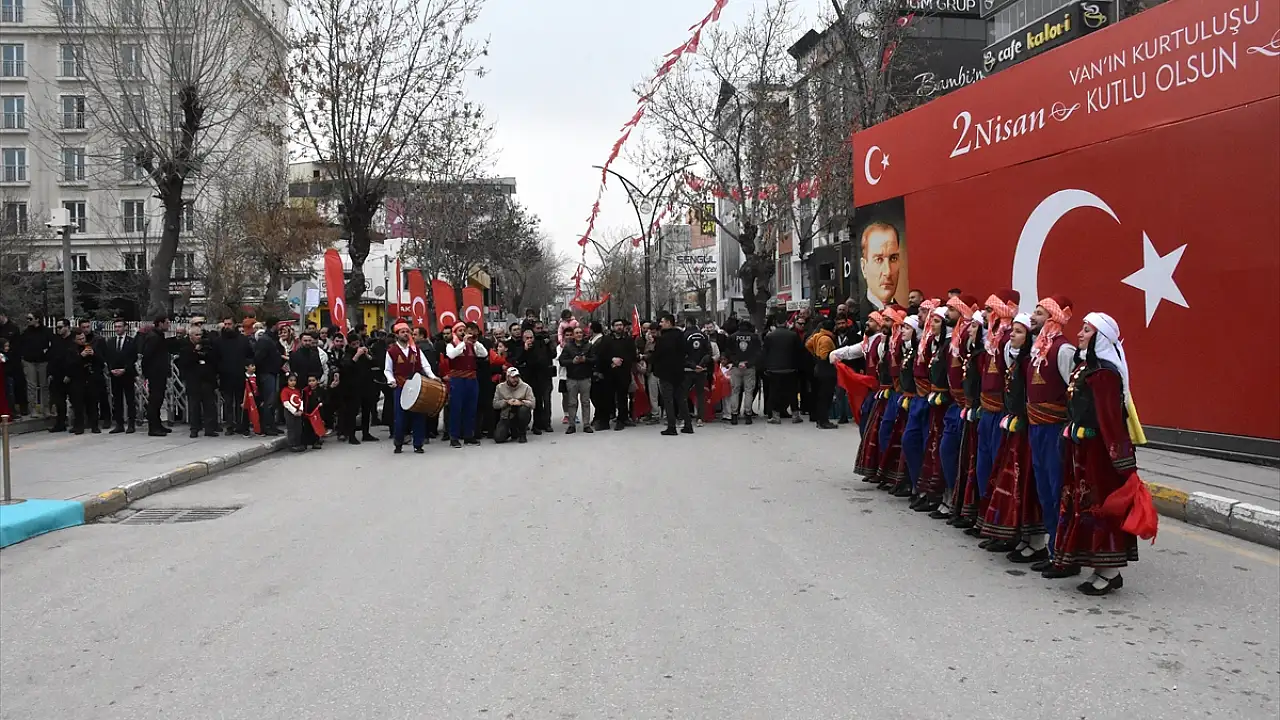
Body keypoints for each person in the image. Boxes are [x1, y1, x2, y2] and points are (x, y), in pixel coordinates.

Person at [1054, 312, 1143, 595]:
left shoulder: (1104, 373)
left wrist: (1122, 463)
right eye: (1081, 329)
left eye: (1086, 331)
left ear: (1100, 338)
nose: (1079, 334)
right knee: (1083, 506)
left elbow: (1109, 420)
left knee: (1101, 508)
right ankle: (1098, 568)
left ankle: (1110, 571)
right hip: (1083, 450)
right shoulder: (1087, 368)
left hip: (1101, 456)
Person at [978, 314, 1045, 558]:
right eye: (1013, 330)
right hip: (1014, 426)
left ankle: (1035, 541)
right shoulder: (1016, 359)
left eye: (1018, 332)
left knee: (1027, 485)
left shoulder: (1029, 362)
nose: (1012, 336)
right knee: (1006, 480)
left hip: (1029, 429)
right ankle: (1010, 534)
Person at [1026, 295, 1079, 578]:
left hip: (1054, 431)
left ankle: (1066, 554)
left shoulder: (1063, 350)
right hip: (1036, 428)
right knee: (1044, 491)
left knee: (1058, 491)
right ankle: (1053, 549)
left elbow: (1075, 392)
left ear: (1053, 318)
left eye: (1038, 313)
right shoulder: (1039, 348)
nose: (1032, 317)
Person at [972, 290, 1021, 535]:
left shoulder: (1011, 338)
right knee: (983, 467)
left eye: (992, 309)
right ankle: (986, 521)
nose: (987, 314)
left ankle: (1000, 527)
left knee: (998, 470)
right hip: (986, 410)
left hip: (1001, 413)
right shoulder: (992, 338)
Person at [932, 295, 981, 520]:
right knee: (947, 452)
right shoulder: (956, 336)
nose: (947, 313)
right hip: (955, 405)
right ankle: (952, 497)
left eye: (951, 309)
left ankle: (962, 505)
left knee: (965, 458)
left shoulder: (968, 335)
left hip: (968, 407)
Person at [914, 306, 952, 513]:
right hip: (933, 401)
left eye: (937, 321)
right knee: (931, 446)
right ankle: (929, 492)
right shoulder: (935, 345)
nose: (933, 325)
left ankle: (945, 496)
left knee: (944, 449)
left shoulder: (947, 346)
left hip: (946, 404)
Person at [385, 321, 437, 454]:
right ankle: (398, 443)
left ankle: (418, 444)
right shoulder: (392, 351)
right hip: (400, 387)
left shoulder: (416, 350)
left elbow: (425, 365)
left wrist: (432, 376)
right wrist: (391, 380)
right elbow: (387, 370)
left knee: (418, 415)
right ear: (397, 335)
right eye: (402, 332)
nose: (406, 334)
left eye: (407, 332)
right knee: (400, 417)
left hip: (416, 386)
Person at [446, 321, 487, 447]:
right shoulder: (451, 345)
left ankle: (469, 436)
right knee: (456, 409)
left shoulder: (472, 345)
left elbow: (484, 354)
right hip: (458, 380)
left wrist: (475, 342)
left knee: (471, 408)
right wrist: (463, 343)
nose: (463, 333)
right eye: (460, 331)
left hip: (471, 380)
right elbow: (452, 355)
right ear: (455, 333)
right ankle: (454, 437)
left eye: (464, 330)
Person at [651, 313, 691, 436]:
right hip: (679, 372)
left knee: (668, 400)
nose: (660, 324)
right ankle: (688, 425)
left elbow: (657, 355)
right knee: (681, 399)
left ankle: (671, 426)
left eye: (662, 322)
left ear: (669, 322)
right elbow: (685, 352)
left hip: (665, 373)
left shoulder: (663, 339)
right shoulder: (681, 335)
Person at [137, 316, 177, 436]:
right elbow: (147, 355)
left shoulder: (159, 335)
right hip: (155, 373)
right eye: (167, 323)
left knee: (159, 400)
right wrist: (145, 372)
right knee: (154, 400)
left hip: (160, 372)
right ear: (160, 323)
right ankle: (153, 428)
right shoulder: (153, 337)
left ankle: (158, 424)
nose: (169, 325)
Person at [178, 328, 219, 438]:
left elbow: (213, 361)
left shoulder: (207, 347)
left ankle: (209, 429)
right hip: (193, 381)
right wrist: (195, 351)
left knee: (209, 405)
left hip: (206, 380)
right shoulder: (186, 348)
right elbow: (185, 363)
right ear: (191, 336)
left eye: (200, 335)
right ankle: (194, 429)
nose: (199, 337)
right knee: (194, 406)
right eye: (196, 335)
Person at [597, 319, 638, 431]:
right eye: (617, 325)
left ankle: (622, 420)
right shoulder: (606, 340)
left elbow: (633, 356)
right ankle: (604, 421)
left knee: (622, 398)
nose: (619, 327)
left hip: (623, 373)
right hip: (609, 373)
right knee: (607, 398)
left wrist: (621, 361)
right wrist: (612, 360)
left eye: (621, 325)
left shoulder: (628, 340)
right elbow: (601, 355)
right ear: (612, 327)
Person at [339, 334, 379, 444]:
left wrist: (367, 355)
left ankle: (366, 433)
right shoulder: (347, 353)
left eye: (358, 343)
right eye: (354, 344)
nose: (356, 346)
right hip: (353, 388)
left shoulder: (365, 352)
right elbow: (346, 367)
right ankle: (351, 435)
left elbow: (375, 362)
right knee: (352, 412)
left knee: (367, 410)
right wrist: (356, 355)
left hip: (366, 385)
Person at [215, 318, 253, 435]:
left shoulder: (243, 340)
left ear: (234, 325)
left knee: (240, 402)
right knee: (228, 402)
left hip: (240, 376)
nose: (227, 326)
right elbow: (215, 358)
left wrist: (247, 366)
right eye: (225, 324)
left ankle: (241, 425)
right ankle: (230, 425)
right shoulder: (219, 341)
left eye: (229, 324)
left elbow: (250, 355)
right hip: (226, 376)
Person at [858, 222, 903, 319]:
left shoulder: (904, 315)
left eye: (893, 258)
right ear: (863, 267)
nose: (888, 272)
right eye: (878, 260)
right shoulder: (857, 316)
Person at [762, 320, 802, 424]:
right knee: (792, 392)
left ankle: (776, 416)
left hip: (774, 369)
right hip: (790, 368)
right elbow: (799, 351)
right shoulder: (793, 335)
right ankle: (795, 415)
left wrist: (766, 367)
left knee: (774, 392)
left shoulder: (770, 336)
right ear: (786, 323)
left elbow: (765, 352)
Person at [516, 328, 554, 435]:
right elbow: (517, 360)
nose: (529, 340)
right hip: (525, 379)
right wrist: (525, 350)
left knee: (538, 402)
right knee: (525, 403)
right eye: (527, 338)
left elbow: (542, 360)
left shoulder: (539, 346)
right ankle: (523, 424)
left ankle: (538, 425)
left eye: (531, 338)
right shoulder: (520, 347)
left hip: (538, 378)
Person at [558, 325, 595, 435]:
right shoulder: (568, 347)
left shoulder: (589, 346)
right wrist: (572, 361)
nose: (579, 335)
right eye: (576, 333)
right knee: (572, 402)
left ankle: (586, 424)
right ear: (573, 335)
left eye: (580, 333)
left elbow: (595, 359)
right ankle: (571, 424)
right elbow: (562, 361)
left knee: (586, 402)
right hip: (572, 378)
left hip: (585, 377)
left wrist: (586, 360)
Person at [104, 319, 139, 434]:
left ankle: (131, 423)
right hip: (115, 374)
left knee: (130, 399)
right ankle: (119, 424)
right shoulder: (110, 341)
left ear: (125, 327)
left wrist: (125, 369)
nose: (117, 329)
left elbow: (133, 358)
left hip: (127, 373)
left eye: (119, 326)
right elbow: (108, 357)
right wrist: (112, 369)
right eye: (116, 327)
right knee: (117, 399)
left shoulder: (132, 341)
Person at [725, 319, 762, 425]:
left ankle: (734, 416)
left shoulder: (732, 337)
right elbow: (758, 353)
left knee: (735, 391)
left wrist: (737, 362)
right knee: (749, 392)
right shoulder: (754, 337)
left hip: (736, 368)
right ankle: (748, 415)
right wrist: (748, 363)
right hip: (749, 368)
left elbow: (728, 352)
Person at [804, 319, 839, 430]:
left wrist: (814, 354)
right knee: (826, 396)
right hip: (826, 369)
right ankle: (824, 421)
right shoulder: (826, 339)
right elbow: (825, 356)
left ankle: (820, 419)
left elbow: (807, 344)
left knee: (821, 395)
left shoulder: (817, 336)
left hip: (819, 368)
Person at [251, 322, 283, 436]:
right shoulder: (265, 340)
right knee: (268, 401)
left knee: (273, 401)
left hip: (273, 372)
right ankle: (267, 426)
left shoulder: (271, 338)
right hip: (267, 373)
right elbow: (258, 357)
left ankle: (272, 425)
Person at [19, 313, 53, 416]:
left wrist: (46, 352)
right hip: (29, 361)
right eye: (27, 318)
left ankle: (46, 408)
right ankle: (32, 408)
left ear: (37, 319)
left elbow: (52, 344)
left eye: (30, 318)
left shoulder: (46, 331)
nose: (28, 321)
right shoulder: (26, 332)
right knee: (31, 385)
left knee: (44, 385)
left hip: (43, 361)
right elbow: (21, 345)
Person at [493, 367, 535, 444]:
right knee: (498, 438)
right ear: (507, 377)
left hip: (520, 414)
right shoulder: (500, 387)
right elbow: (495, 404)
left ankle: (522, 433)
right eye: (513, 377)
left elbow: (532, 404)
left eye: (517, 377)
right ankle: (510, 431)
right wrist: (506, 402)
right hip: (506, 415)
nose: (515, 379)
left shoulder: (526, 387)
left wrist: (521, 402)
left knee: (524, 410)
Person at [682, 317, 711, 427]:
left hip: (687, 370)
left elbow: (682, 354)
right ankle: (700, 418)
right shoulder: (703, 335)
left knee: (683, 394)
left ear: (687, 323)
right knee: (700, 394)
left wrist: (693, 366)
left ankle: (685, 418)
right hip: (701, 369)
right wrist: (701, 364)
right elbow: (709, 352)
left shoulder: (684, 335)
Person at [281, 374, 305, 452]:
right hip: (289, 412)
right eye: (291, 380)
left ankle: (298, 443)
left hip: (298, 412)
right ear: (287, 381)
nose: (293, 382)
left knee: (298, 428)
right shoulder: (285, 390)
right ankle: (292, 444)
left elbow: (300, 401)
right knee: (291, 428)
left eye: (294, 380)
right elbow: (286, 403)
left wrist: (301, 410)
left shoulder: (297, 391)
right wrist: (294, 411)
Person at [301, 374, 324, 449]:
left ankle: (316, 442)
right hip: (307, 412)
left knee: (316, 427)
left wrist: (322, 403)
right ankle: (305, 443)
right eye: (309, 381)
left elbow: (325, 399)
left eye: (313, 381)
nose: (311, 383)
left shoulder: (321, 390)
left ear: (317, 381)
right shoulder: (305, 390)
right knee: (306, 428)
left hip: (317, 413)